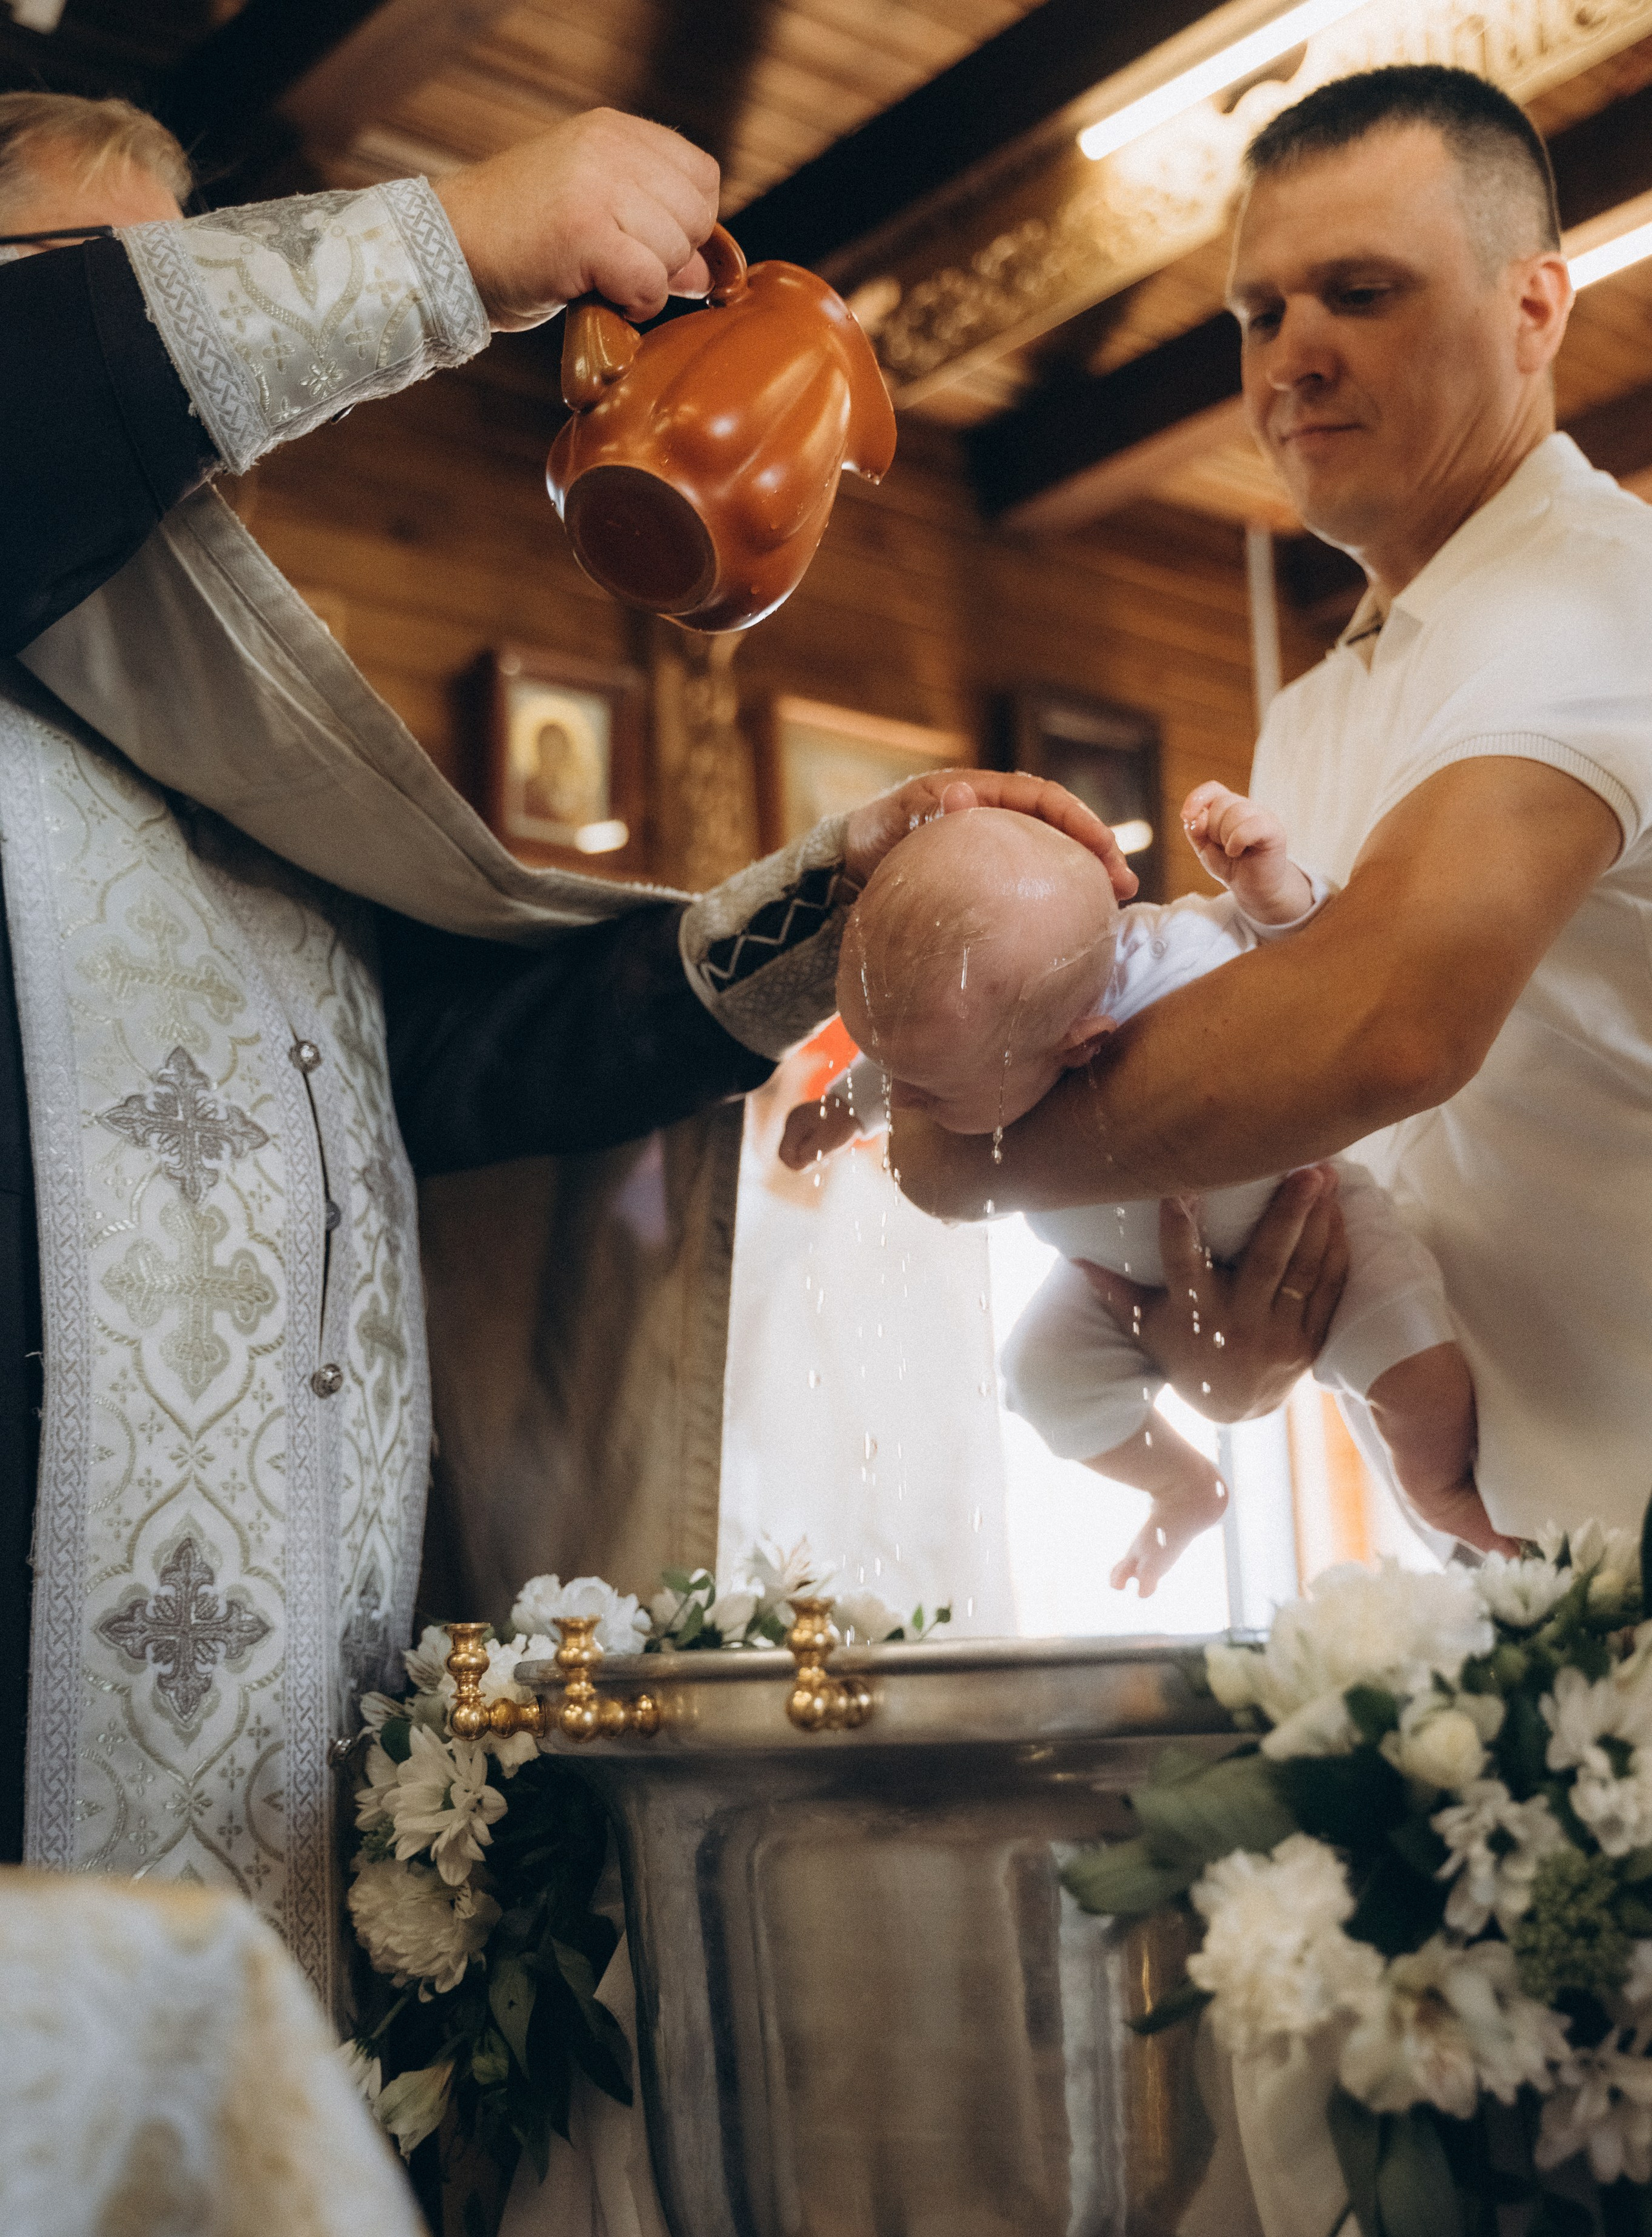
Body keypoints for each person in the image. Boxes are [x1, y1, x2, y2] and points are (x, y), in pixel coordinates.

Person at [0, 90, 1131, 2000]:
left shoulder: (236, 793)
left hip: (285, 1829)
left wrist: (828, 904)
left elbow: (460, 1073)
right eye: (107, 292)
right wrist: (451, 244)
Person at [889, 63, 1652, 1550]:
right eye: (1257, 312)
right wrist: (1240, 1339)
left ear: (1534, 306)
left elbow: (1377, 1030)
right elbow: (1320, 1154)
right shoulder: (1308, 716)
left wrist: (952, 1154)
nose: (1288, 355)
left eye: (1358, 292)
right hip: (1508, 1586)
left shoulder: (1596, 596)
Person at [794, 795, 1504, 1590]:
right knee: (1039, 1377)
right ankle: (1181, 1486)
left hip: (1308, 1216)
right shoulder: (959, 1024)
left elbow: (1324, 964)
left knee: (1418, 1376)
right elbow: (901, 1062)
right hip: (1110, 1278)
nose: (909, 1104)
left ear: (1079, 1047)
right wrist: (837, 1111)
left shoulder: (1184, 952)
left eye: (927, 1089)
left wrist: (1272, 889)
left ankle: (1440, 1493)